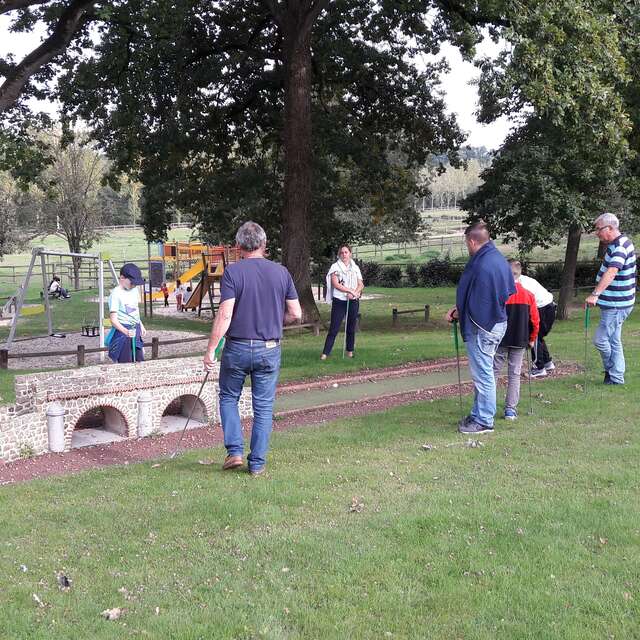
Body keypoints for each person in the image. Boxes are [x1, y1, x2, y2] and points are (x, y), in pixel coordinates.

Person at [204, 221, 302, 476]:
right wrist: (272, 319)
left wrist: (211, 349)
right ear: (264, 244)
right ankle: (257, 464)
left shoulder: (233, 273)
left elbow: (225, 314)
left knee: (228, 397)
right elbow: (296, 314)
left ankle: (234, 451)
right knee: (264, 407)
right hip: (269, 348)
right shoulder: (282, 273)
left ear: (238, 246)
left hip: (236, 347)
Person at [446, 222, 516, 434]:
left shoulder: (483, 264)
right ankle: (477, 413)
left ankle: (484, 420)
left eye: (467, 243)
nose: (467, 247)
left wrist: (459, 312)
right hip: (498, 321)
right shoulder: (497, 259)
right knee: (483, 372)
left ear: (472, 241)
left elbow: (479, 301)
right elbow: (506, 291)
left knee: (484, 374)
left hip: (484, 327)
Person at [585, 212, 636, 385]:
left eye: (599, 229)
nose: (597, 233)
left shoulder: (620, 246)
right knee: (614, 340)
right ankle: (616, 378)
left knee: (600, 340)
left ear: (611, 228)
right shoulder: (617, 244)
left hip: (617, 304)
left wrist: (595, 294)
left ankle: (611, 370)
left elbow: (612, 272)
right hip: (617, 302)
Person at [493, 260, 540, 420]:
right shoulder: (528, 295)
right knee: (514, 374)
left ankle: (488, 406)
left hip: (500, 339)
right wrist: (532, 339)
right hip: (520, 339)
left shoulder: (499, 294)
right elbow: (535, 320)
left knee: (493, 372)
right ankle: (510, 410)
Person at [321, 245, 364, 359]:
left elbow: (361, 284)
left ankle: (350, 351)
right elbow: (336, 284)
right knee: (334, 327)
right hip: (339, 300)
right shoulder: (335, 267)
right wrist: (349, 290)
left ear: (350, 253)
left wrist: (354, 293)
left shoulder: (355, 267)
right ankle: (325, 353)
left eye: (346, 252)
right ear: (339, 255)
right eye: (342, 253)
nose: (344, 255)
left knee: (351, 326)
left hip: (353, 300)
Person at [515, 264, 557, 377]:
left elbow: (526, 305)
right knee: (538, 337)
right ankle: (547, 362)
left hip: (543, 308)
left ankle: (539, 368)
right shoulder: (522, 279)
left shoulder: (521, 284)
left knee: (534, 337)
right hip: (549, 307)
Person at [107, 263, 146, 363]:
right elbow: (113, 320)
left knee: (139, 360)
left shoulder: (134, 290)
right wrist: (126, 332)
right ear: (122, 278)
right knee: (126, 362)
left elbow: (134, 311)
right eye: (132, 282)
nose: (134, 285)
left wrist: (140, 325)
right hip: (123, 331)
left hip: (135, 328)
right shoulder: (116, 294)